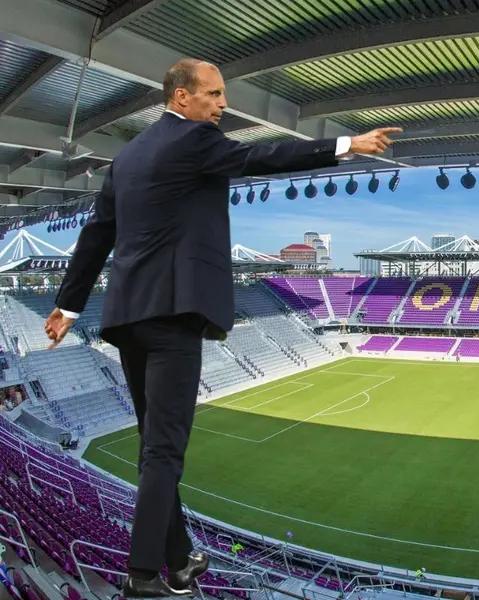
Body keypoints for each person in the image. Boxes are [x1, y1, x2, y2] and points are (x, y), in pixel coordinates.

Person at [44, 57, 402, 598]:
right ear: (181, 98)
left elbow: (97, 235)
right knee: (164, 452)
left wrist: (68, 307)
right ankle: (142, 579)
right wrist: (347, 145)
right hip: (172, 316)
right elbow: (262, 155)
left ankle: (180, 557)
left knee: (152, 447)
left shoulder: (127, 159)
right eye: (213, 94)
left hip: (128, 318)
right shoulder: (192, 140)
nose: (223, 103)